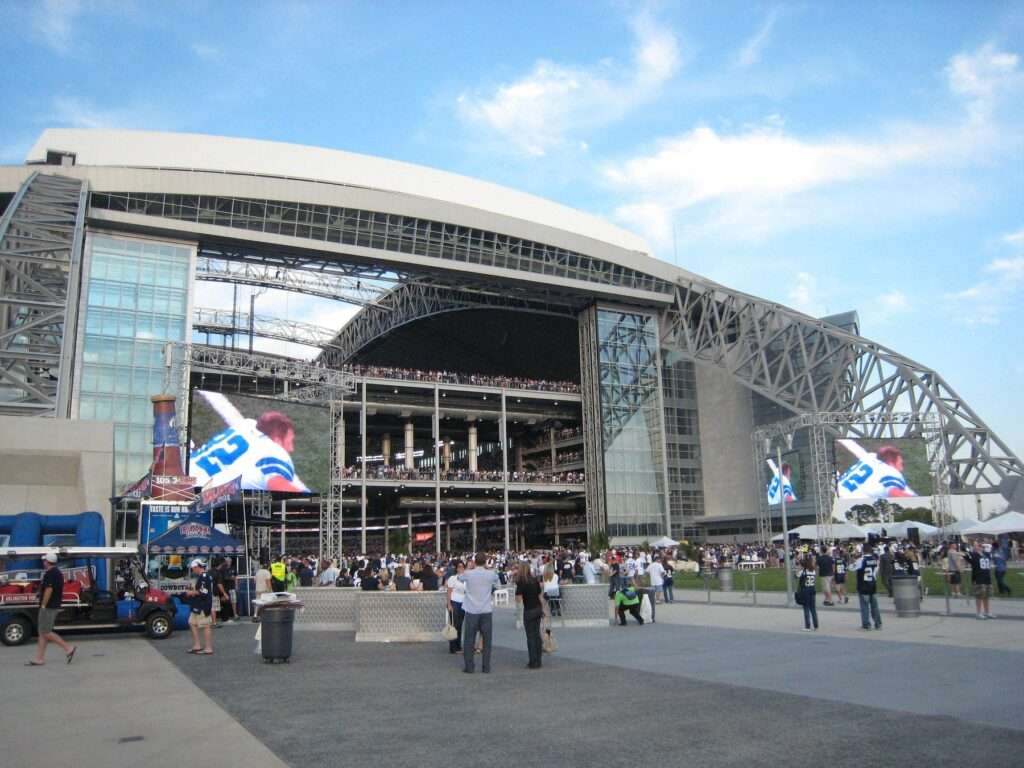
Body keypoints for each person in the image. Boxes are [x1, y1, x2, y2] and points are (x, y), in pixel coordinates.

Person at [190, 392, 309, 493]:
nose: (291, 449)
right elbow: (277, 485)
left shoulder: (246, 425)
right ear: (277, 439)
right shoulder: (275, 452)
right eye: (290, 442)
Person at [27, 553, 76, 666]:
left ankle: (68, 648)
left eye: (44, 560)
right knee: (42, 633)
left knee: (45, 631)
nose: (43, 562)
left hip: (48, 607)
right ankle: (39, 658)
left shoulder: (50, 573)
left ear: (47, 562)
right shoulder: (57, 573)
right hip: (52, 606)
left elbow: (49, 590)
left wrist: (43, 605)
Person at [459, 553, 500, 674]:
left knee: (469, 640)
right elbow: (497, 581)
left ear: (474, 561)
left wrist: (469, 567)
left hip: (471, 610)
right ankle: (486, 667)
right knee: (487, 641)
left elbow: (459, 577)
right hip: (486, 610)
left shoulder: (469, 573)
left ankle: (469, 666)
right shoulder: (490, 574)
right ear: (485, 561)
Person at [516, 562, 546, 669]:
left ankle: (533, 661)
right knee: (537, 634)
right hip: (537, 608)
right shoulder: (535, 580)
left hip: (528, 610)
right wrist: (543, 609)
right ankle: (539, 660)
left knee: (530, 636)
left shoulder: (521, 582)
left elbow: (518, 599)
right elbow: (540, 596)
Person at [185, 559, 214, 655]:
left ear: (197, 567)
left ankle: (208, 648)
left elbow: (204, 592)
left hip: (203, 604)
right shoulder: (202, 577)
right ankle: (197, 645)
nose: (193, 571)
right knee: (192, 623)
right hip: (197, 604)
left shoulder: (204, 577)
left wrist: (191, 592)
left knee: (206, 625)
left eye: (193, 569)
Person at [852, 543, 882, 631]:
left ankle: (866, 624)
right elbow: (875, 572)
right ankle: (878, 623)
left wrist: (854, 560)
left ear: (863, 550)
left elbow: (851, 568)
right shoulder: (874, 560)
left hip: (863, 586)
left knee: (864, 606)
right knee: (874, 606)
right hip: (872, 585)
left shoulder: (861, 560)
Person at [965, 541, 995, 619]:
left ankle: (987, 612)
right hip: (978, 578)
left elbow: (989, 563)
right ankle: (978, 613)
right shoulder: (973, 555)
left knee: (986, 596)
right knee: (979, 596)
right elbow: (964, 555)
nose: (976, 547)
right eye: (974, 545)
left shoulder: (987, 554)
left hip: (987, 578)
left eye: (977, 545)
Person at [445, 561, 467, 654]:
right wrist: (449, 604)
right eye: (459, 567)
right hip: (454, 601)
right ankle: (453, 647)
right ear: (456, 568)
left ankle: (458, 646)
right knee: (455, 625)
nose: (461, 569)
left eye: (462, 567)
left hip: (463, 602)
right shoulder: (452, 578)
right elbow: (449, 591)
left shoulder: (466, 579)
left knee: (460, 625)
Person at [797, 554, 818, 631]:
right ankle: (816, 625)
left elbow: (796, 576)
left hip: (805, 590)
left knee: (806, 608)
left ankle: (807, 626)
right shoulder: (813, 571)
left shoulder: (803, 572)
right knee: (813, 608)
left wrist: (799, 567)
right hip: (812, 589)